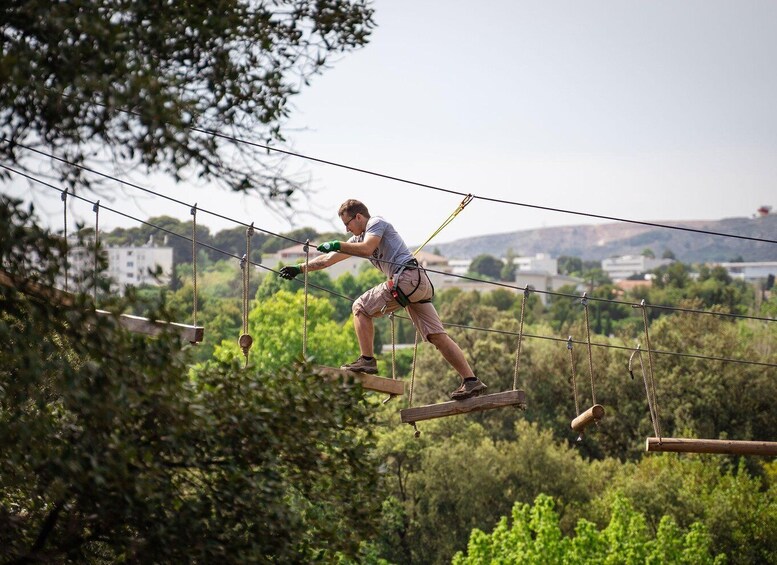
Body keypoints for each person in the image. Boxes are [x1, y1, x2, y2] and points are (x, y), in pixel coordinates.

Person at [279, 199, 487, 400]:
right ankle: (471, 380)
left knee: (360, 307)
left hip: (407, 279)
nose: (347, 230)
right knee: (437, 336)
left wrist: (336, 244)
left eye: (347, 224)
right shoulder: (357, 239)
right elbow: (327, 260)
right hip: (417, 284)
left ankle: (367, 359)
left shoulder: (376, 223)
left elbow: (367, 249)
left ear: (358, 217)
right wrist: (299, 268)